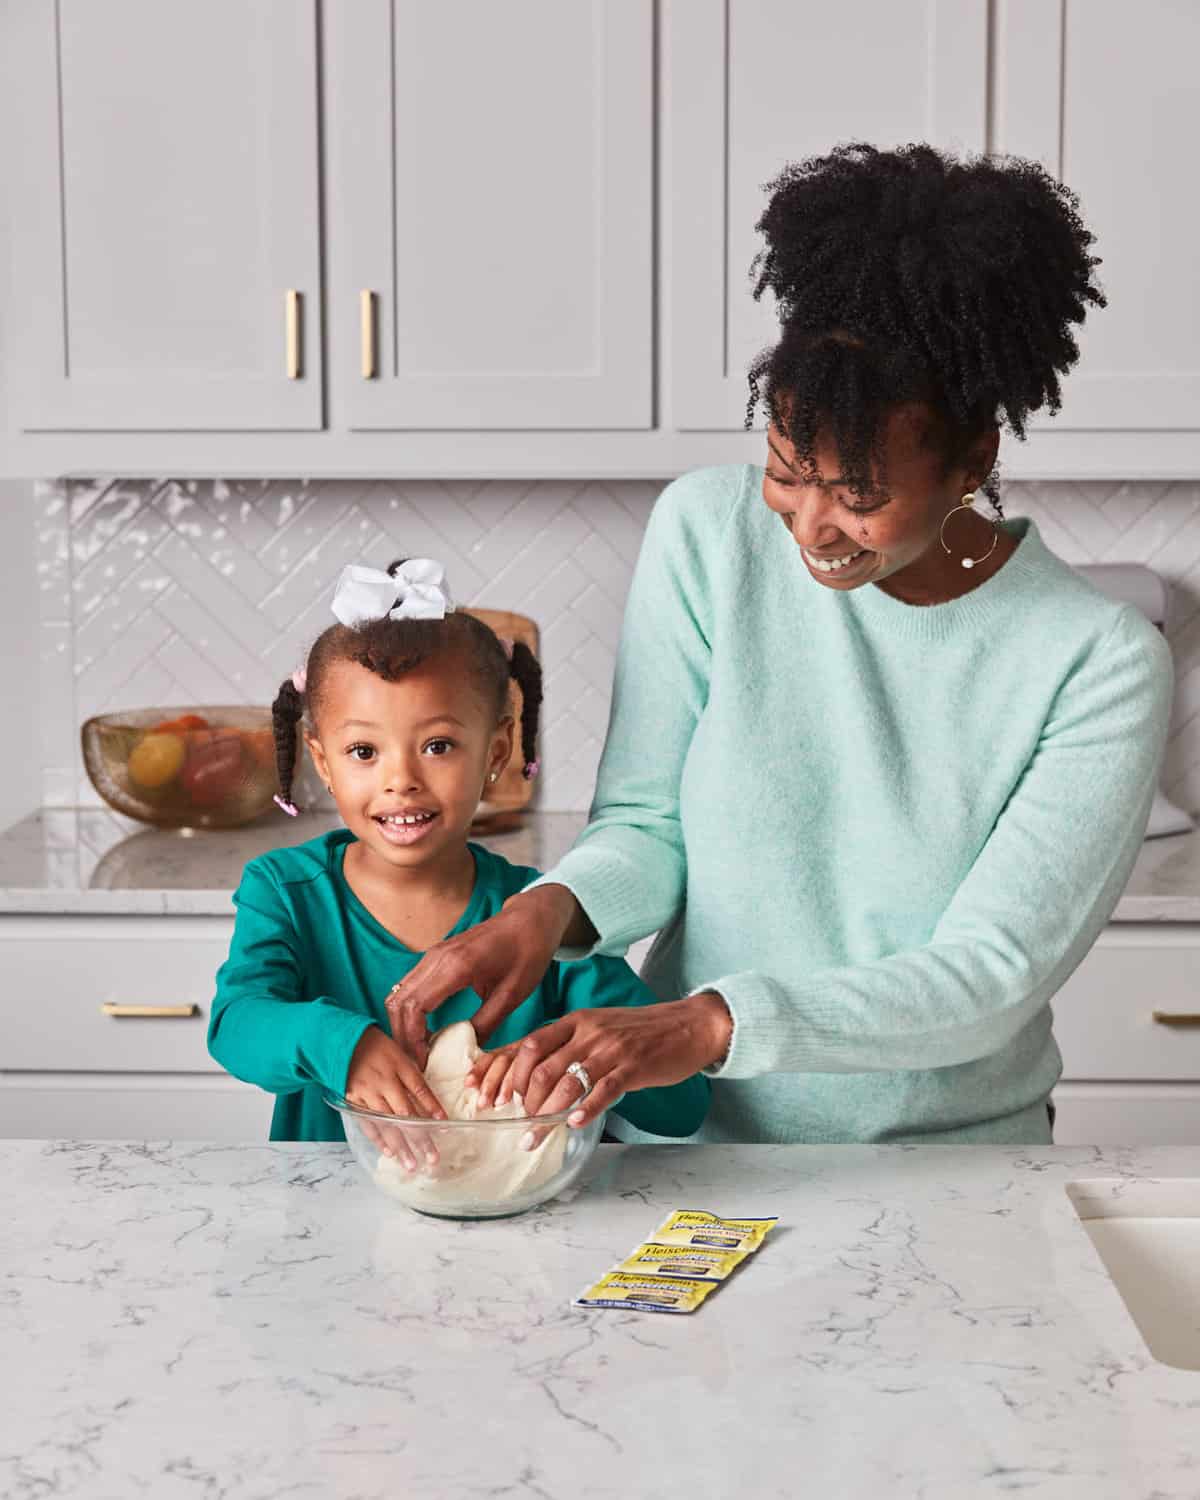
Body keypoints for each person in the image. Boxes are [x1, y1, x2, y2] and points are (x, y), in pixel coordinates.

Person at [383, 141, 1175, 1146]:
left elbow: (992, 974)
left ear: (973, 460)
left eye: (861, 495)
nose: (807, 528)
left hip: (942, 1163)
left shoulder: (1095, 658)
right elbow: (647, 824)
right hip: (686, 1138)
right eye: (786, 471)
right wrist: (546, 915)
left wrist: (714, 1022)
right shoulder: (708, 532)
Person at [206, 557, 709, 1158]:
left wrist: (579, 1066)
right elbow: (236, 1026)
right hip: (327, 1218)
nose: (401, 779)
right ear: (322, 761)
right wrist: (344, 1045)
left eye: (438, 745)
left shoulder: (536, 921)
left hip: (522, 1232)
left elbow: (683, 1106)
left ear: (496, 751)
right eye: (364, 750)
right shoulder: (286, 890)